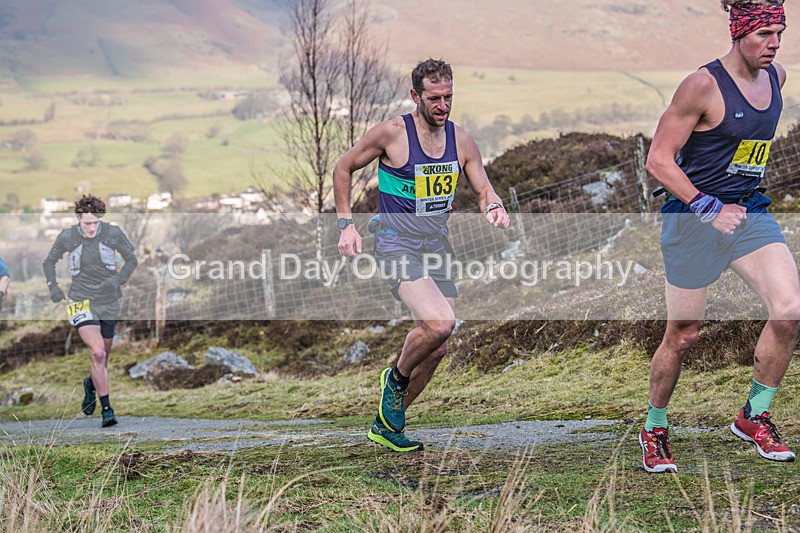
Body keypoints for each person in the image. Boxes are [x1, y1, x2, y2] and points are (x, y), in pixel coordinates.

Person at [642, 0, 795, 472]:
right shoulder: (702, 85)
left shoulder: (777, 78)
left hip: (748, 212)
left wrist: (731, 206)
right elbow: (659, 160)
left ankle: (755, 415)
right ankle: (654, 426)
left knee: (790, 312)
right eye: (763, 34)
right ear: (738, 32)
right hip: (693, 219)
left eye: (779, 33)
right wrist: (706, 206)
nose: (773, 44)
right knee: (683, 334)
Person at [333, 58, 510, 452]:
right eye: (434, 98)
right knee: (440, 323)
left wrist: (493, 205)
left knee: (438, 344)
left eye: (448, 97)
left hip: (436, 245)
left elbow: (483, 188)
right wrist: (345, 224)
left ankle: (385, 426)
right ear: (416, 96)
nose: (443, 106)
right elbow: (343, 168)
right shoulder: (392, 134)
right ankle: (395, 379)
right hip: (396, 242)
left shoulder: (461, 141)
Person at [43, 195, 138, 427]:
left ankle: (90, 385)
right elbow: (49, 262)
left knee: (103, 357)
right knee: (97, 354)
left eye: (96, 222)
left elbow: (132, 260)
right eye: (87, 223)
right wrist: (53, 286)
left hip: (108, 300)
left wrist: (117, 281)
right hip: (80, 300)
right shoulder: (67, 237)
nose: (92, 228)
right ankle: (107, 410)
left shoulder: (113, 233)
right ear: (78, 219)